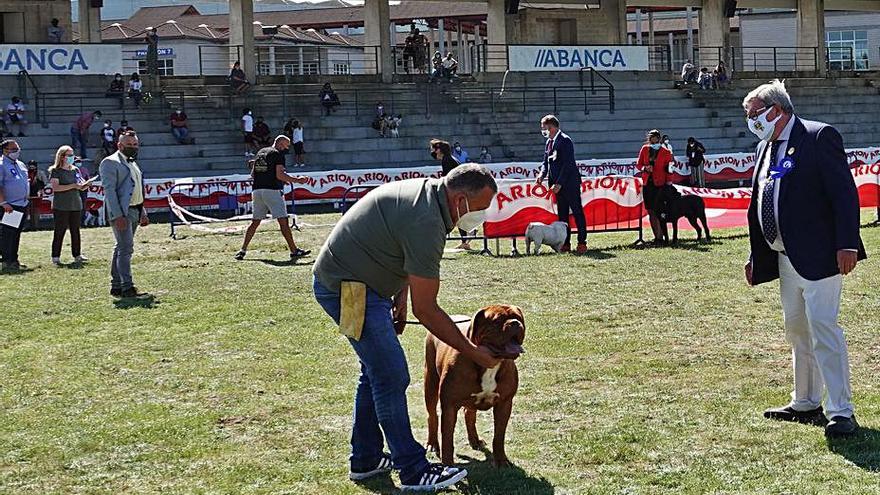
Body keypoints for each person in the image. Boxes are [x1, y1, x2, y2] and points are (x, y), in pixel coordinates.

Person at [312, 163, 500, 492]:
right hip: (347, 289)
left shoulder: (430, 198)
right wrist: (473, 352)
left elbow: (396, 244)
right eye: (481, 208)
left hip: (363, 284)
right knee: (391, 374)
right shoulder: (427, 221)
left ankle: (366, 459)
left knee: (375, 371)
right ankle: (414, 470)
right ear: (459, 200)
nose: (482, 216)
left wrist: (398, 293)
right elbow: (426, 311)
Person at [742, 79, 867, 438]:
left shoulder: (817, 136)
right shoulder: (767, 148)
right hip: (785, 256)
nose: (751, 121)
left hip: (821, 254)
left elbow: (844, 193)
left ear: (776, 110)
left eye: (754, 114)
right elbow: (768, 195)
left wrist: (847, 243)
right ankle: (806, 401)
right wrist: (758, 253)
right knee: (797, 330)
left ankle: (841, 411)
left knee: (824, 328)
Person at [234, 135, 310, 261]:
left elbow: (253, 174)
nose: (287, 148)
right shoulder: (277, 154)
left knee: (255, 222)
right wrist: (298, 180)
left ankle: (242, 250)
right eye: (286, 146)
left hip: (257, 190)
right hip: (272, 191)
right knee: (283, 222)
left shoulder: (261, 152)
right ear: (280, 144)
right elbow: (280, 175)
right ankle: (294, 251)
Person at [100, 131, 149, 298]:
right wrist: (118, 215)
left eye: (135, 144)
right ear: (119, 145)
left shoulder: (133, 163)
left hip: (135, 209)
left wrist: (142, 211)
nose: (134, 147)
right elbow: (110, 192)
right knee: (126, 249)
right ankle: (127, 287)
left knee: (121, 247)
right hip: (123, 212)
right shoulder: (109, 162)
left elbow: (137, 189)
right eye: (130, 144)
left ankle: (116, 285)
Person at [536, 115, 587, 254]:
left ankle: (582, 242)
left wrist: (560, 182)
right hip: (557, 186)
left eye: (544, 127)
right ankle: (565, 243)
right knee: (562, 216)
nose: (543, 130)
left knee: (577, 212)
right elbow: (545, 162)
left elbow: (568, 164)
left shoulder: (565, 140)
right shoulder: (549, 143)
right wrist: (542, 174)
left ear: (551, 126)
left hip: (569, 183)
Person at [48, 145, 89, 265]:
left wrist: (85, 185)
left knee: (75, 231)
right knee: (59, 231)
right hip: (61, 205)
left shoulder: (75, 170)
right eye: (69, 155)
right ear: (62, 157)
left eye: (72, 155)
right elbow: (56, 187)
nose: (72, 157)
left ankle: (77, 254)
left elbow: (80, 184)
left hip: (76, 204)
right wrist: (72, 186)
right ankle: (56, 256)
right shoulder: (55, 171)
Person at [431, 139, 470, 250]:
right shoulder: (450, 159)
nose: (434, 152)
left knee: (455, 217)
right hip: (459, 190)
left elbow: (448, 179)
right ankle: (465, 240)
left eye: (435, 149)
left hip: (456, 192)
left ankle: (466, 238)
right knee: (458, 217)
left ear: (440, 150)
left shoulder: (447, 160)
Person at [637, 129, 674, 244]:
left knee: (660, 211)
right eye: (651, 137)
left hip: (660, 185)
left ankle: (662, 236)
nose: (653, 139)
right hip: (648, 184)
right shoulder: (644, 149)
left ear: (659, 138)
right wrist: (645, 168)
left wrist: (669, 183)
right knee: (651, 211)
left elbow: (670, 170)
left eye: (655, 137)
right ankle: (657, 236)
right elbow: (639, 164)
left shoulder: (666, 152)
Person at [0, 139, 29, 271]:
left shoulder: (20, 164)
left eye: (17, 148)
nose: (17, 151)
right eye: (13, 149)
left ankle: (14, 259)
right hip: (10, 205)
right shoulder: (1, 165)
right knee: (8, 234)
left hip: (22, 203)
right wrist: (3, 202)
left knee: (16, 233)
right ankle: (7, 261)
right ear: (5, 151)